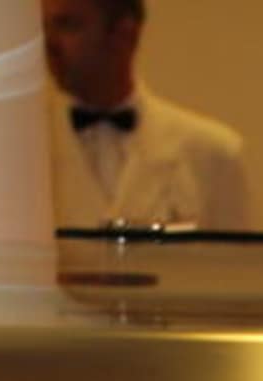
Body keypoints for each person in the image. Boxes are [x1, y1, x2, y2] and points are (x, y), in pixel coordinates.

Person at [42, 0, 248, 230]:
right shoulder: (29, 146)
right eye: (45, 27)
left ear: (124, 34)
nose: (50, 43)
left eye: (68, 25)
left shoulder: (211, 153)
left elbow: (234, 252)